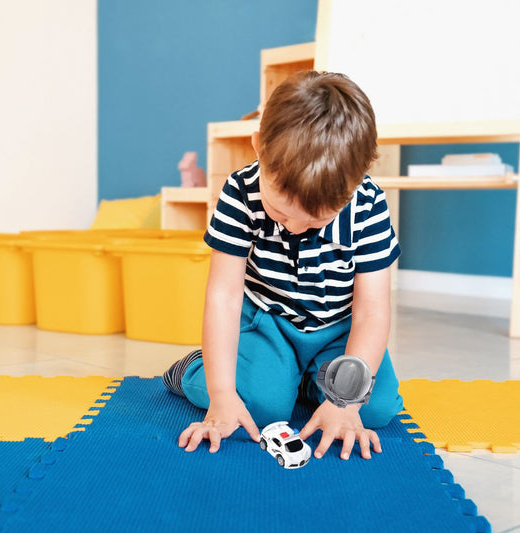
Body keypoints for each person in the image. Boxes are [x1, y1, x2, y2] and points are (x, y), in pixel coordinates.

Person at [163, 71, 403, 461]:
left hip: (336, 329)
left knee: (376, 409)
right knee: (258, 407)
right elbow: (224, 295)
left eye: (315, 222)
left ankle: (309, 380)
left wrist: (344, 404)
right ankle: (194, 368)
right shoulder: (240, 191)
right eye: (279, 211)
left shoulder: (368, 204)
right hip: (266, 322)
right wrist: (221, 394)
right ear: (258, 146)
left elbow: (372, 310)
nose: (291, 228)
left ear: (356, 183)